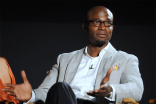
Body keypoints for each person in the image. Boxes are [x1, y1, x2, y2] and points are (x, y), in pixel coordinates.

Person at [2, 6, 144, 104]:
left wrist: (110, 90)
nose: (103, 27)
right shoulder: (64, 59)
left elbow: (137, 89)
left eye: (108, 23)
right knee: (60, 88)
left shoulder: (125, 59)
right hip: (65, 100)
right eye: (96, 22)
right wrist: (31, 95)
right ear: (85, 27)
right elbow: (47, 92)